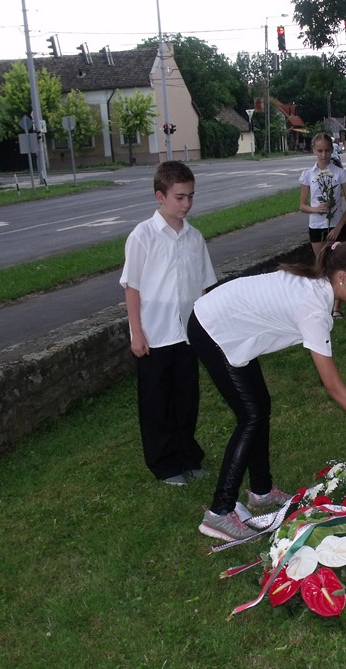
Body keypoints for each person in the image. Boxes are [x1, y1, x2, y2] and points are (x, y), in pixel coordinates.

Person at [187, 241, 346, 542]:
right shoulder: (313, 309)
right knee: (251, 416)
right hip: (212, 327)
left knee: (259, 407)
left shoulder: (317, 283)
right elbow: (333, 386)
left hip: (227, 323)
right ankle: (219, 513)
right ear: (342, 277)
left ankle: (262, 492)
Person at [120, 160, 217, 487]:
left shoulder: (194, 238)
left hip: (187, 334)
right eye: (179, 197)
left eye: (190, 196)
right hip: (155, 335)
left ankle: (188, 456)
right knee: (157, 403)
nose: (186, 204)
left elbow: (202, 287)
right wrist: (137, 333)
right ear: (160, 197)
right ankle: (164, 464)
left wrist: (205, 330)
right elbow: (132, 288)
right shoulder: (143, 236)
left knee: (186, 400)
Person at [299, 133, 346, 320]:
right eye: (320, 151)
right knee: (321, 266)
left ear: (332, 150)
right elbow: (302, 205)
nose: (324, 155)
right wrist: (315, 209)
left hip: (336, 226)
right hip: (317, 225)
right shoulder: (309, 174)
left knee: (337, 265)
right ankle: (324, 303)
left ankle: (337, 306)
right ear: (314, 151)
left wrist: (338, 227)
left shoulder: (339, 173)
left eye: (327, 150)